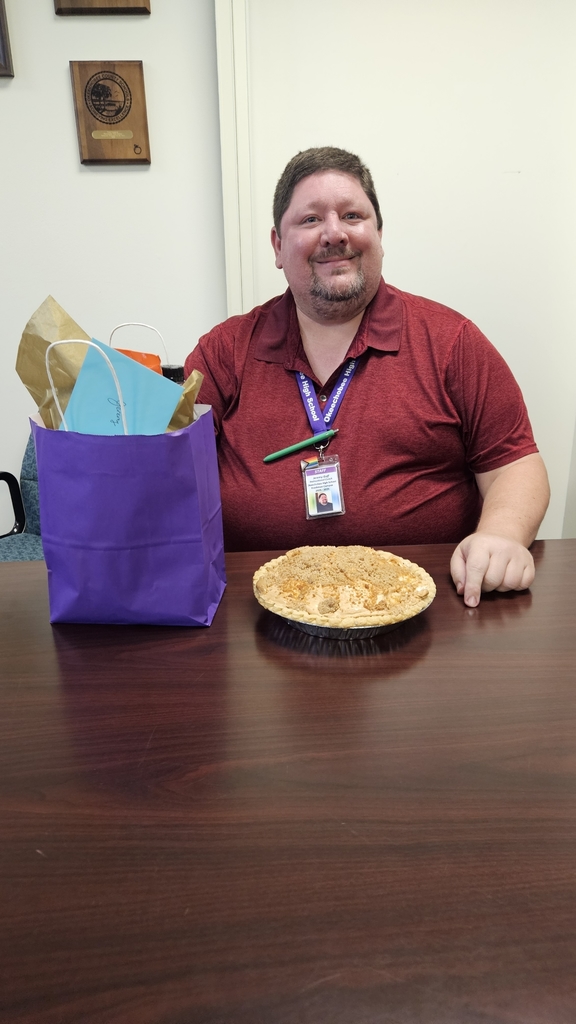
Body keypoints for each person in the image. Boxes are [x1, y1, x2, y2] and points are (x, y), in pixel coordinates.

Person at [185, 147, 550, 607]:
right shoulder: (224, 350)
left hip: (431, 616)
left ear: (378, 233)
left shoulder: (453, 342)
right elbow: (166, 471)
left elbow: (515, 466)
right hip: (257, 618)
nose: (334, 233)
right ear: (278, 246)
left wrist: (502, 536)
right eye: (311, 220)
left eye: (352, 215)